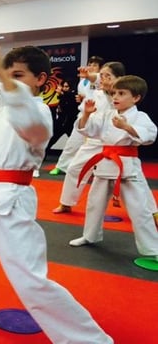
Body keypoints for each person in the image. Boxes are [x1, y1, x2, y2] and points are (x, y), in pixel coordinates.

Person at [0, 45, 113, 344]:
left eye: (18, 75)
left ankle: (88, 339)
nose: (9, 81)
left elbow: (31, 127)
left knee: (29, 280)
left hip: (12, 201)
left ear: (40, 79)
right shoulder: (3, 111)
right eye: (7, 74)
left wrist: (7, 83)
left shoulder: (38, 110)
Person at [68, 75, 158, 261]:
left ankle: (153, 249)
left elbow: (149, 136)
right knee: (94, 203)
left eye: (121, 93)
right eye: (114, 93)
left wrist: (127, 127)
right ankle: (90, 236)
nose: (115, 97)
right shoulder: (107, 114)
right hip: (105, 163)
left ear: (136, 98)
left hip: (127, 168)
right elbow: (89, 130)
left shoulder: (140, 117)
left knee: (139, 209)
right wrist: (86, 114)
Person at [52, 62, 125, 214]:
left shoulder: (122, 94)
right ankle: (66, 203)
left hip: (116, 142)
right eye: (102, 76)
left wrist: (93, 76)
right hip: (94, 140)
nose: (103, 79)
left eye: (107, 76)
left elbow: (104, 83)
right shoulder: (98, 93)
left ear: (119, 79)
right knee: (74, 168)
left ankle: (150, 212)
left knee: (128, 179)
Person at [49, 55, 105, 175]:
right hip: (84, 115)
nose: (91, 67)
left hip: (98, 116)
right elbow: (84, 96)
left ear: (100, 68)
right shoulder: (82, 82)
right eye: (90, 64)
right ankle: (62, 166)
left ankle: (97, 170)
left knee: (97, 145)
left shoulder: (101, 78)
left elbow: (97, 87)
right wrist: (81, 98)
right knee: (72, 143)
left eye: (95, 65)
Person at [46, 79, 79, 151]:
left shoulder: (74, 96)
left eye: (66, 87)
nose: (65, 88)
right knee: (51, 140)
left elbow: (71, 99)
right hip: (61, 123)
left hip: (70, 123)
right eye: (64, 87)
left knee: (75, 141)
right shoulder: (62, 97)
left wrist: (62, 94)